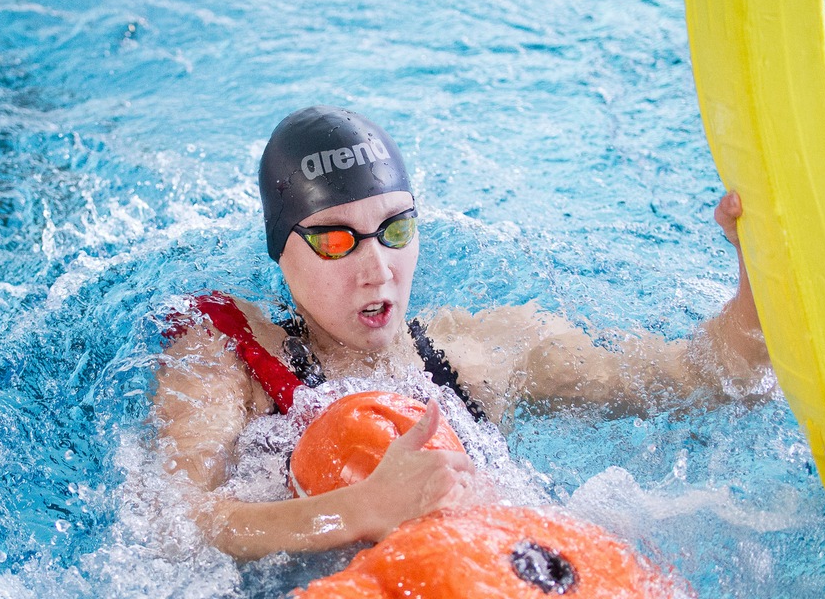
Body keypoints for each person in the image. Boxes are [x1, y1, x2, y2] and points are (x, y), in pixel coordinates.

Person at [154, 105, 770, 561]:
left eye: (395, 230)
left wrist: (761, 274)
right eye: (337, 240)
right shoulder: (229, 359)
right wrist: (359, 511)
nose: (377, 270)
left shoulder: (482, 356)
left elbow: (706, 374)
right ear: (281, 253)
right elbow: (174, 521)